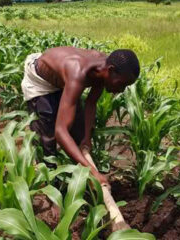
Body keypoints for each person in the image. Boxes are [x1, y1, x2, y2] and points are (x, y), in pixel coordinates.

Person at [21, 46, 140, 185]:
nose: (121, 90)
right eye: (121, 84)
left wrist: (86, 138)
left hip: (63, 81)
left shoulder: (103, 69)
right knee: (48, 141)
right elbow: (61, 131)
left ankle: (80, 180)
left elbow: (91, 103)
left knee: (79, 132)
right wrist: (93, 172)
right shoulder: (79, 72)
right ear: (111, 70)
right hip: (40, 81)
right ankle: (51, 190)